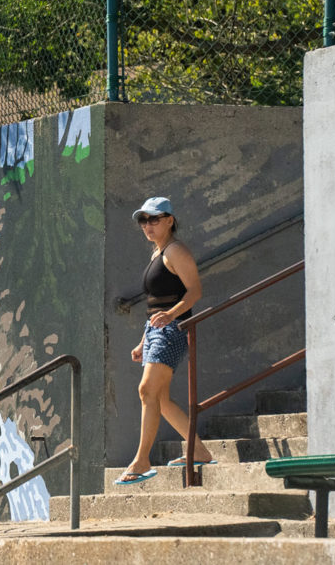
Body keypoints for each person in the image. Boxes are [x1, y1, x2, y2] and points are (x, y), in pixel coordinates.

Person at [115, 196, 215, 485]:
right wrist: (142, 340)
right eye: (143, 220)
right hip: (157, 331)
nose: (147, 225)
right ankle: (200, 451)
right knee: (160, 398)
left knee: (146, 390)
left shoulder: (176, 251)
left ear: (170, 220)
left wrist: (171, 316)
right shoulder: (157, 254)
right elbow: (153, 305)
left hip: (172, 330)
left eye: (154, 219)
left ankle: (142, 460)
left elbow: (194, 291)